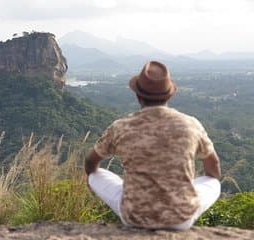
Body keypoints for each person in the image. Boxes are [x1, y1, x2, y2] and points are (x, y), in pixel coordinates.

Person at [85, 61, 221, 230]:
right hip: (181, 218)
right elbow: (213, 167)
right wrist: (187, 187)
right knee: (213, 183)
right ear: (169, 95)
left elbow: (91, 163)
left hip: (134, 216)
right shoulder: (191, 124)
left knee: (95, 175)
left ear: (137, 95)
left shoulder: (121, 127)